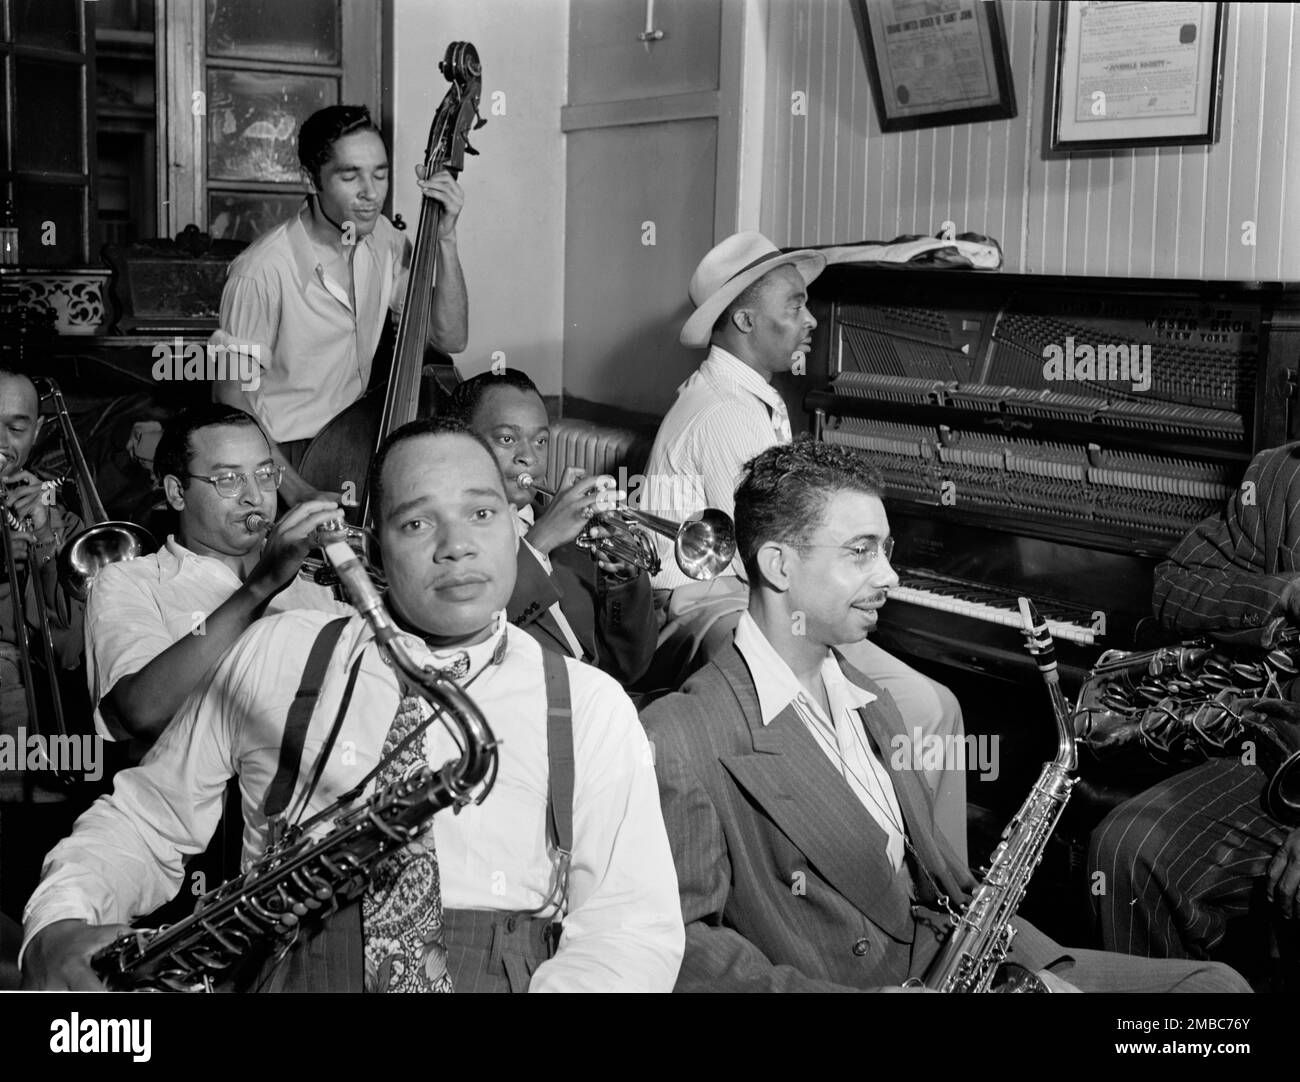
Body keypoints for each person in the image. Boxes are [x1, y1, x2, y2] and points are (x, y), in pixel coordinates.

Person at [22, 417, 683, 993]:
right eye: (417, 521)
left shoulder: (590, 704)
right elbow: (145, 821)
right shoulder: (278, 651)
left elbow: (629, 928)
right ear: (371, 548)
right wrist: (60, 919)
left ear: (516, 528)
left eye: (482, 513)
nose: (456, 545)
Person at [641, 438, 1249, 992]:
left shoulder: (865, 694)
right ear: (778, 566)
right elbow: (681, 950)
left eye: (887, 551)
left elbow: (939, 881)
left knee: (1215, 989)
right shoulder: (683, 733)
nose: (890, 576)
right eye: (861, 553)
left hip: (970, 964)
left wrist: (1036, 971)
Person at [643, 231, 968, 862]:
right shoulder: (725, 414)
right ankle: (918, 882)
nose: (811, 319)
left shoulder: (747, 396)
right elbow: (777, 555)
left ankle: (920, 874)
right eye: (794, 305)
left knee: (925, 704)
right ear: (744, 318)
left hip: (756, 591)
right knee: (928, 708)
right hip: (713, 609)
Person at [1090, 439, 1300, 962]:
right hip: (1280, 751)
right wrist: (1284, 593)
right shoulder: (1281, 474)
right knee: (1125, 851)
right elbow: (1173, 587)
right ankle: (1182, 1042)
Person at [212, 104, 469, 506]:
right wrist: (296, 490)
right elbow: (229, 396)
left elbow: (450, 336)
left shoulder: (385, 239)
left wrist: (445, 238)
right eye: (350, 176)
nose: (371, 193)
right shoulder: (260, 271)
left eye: (380, 174)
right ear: (310, 179)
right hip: (280, 457)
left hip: (357, 442)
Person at [85, 404, 351, 746]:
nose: (255, 497)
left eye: (265, 475)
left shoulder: (318, 576)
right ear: (177, 493)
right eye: (228, 479)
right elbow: (145, 713)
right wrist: (261, 586)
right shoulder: (129, 582)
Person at [447, 370, 656, 686]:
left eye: (540, 441)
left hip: (599, 706)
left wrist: (621, 581)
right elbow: (468, 651)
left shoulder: (578, 536)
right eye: (507, 439)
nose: (529, 458)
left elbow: (629, 665)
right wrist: (538, 543)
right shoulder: (449, 543)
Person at [0, 367, 84, 782]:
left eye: (16, 427)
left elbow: (70, 654)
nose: (0, 443)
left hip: (37, 742)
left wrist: (47, 541)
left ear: (38, 431)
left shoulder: (63, 527)